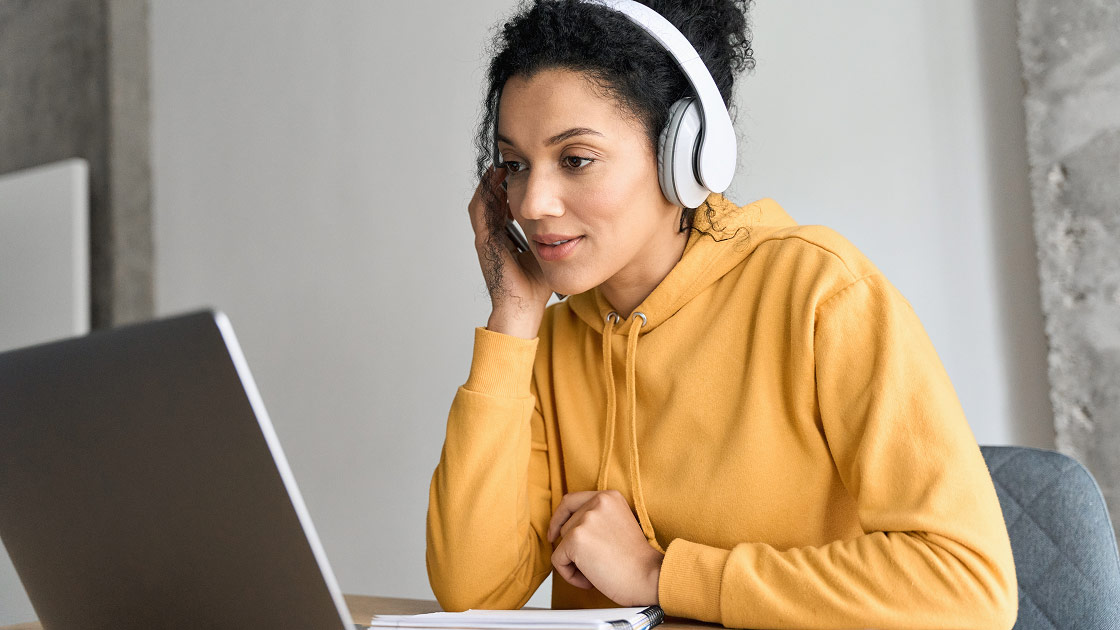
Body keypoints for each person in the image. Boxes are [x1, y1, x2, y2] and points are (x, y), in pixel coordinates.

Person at [426, 1, 1019, 628]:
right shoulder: (548, 340)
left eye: (575, 159)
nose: (533, 203)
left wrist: (661, 575)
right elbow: (472, 593)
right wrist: (513, 320)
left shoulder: (819, 294)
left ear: (686, 154)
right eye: (515, 165)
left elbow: (969, 588)